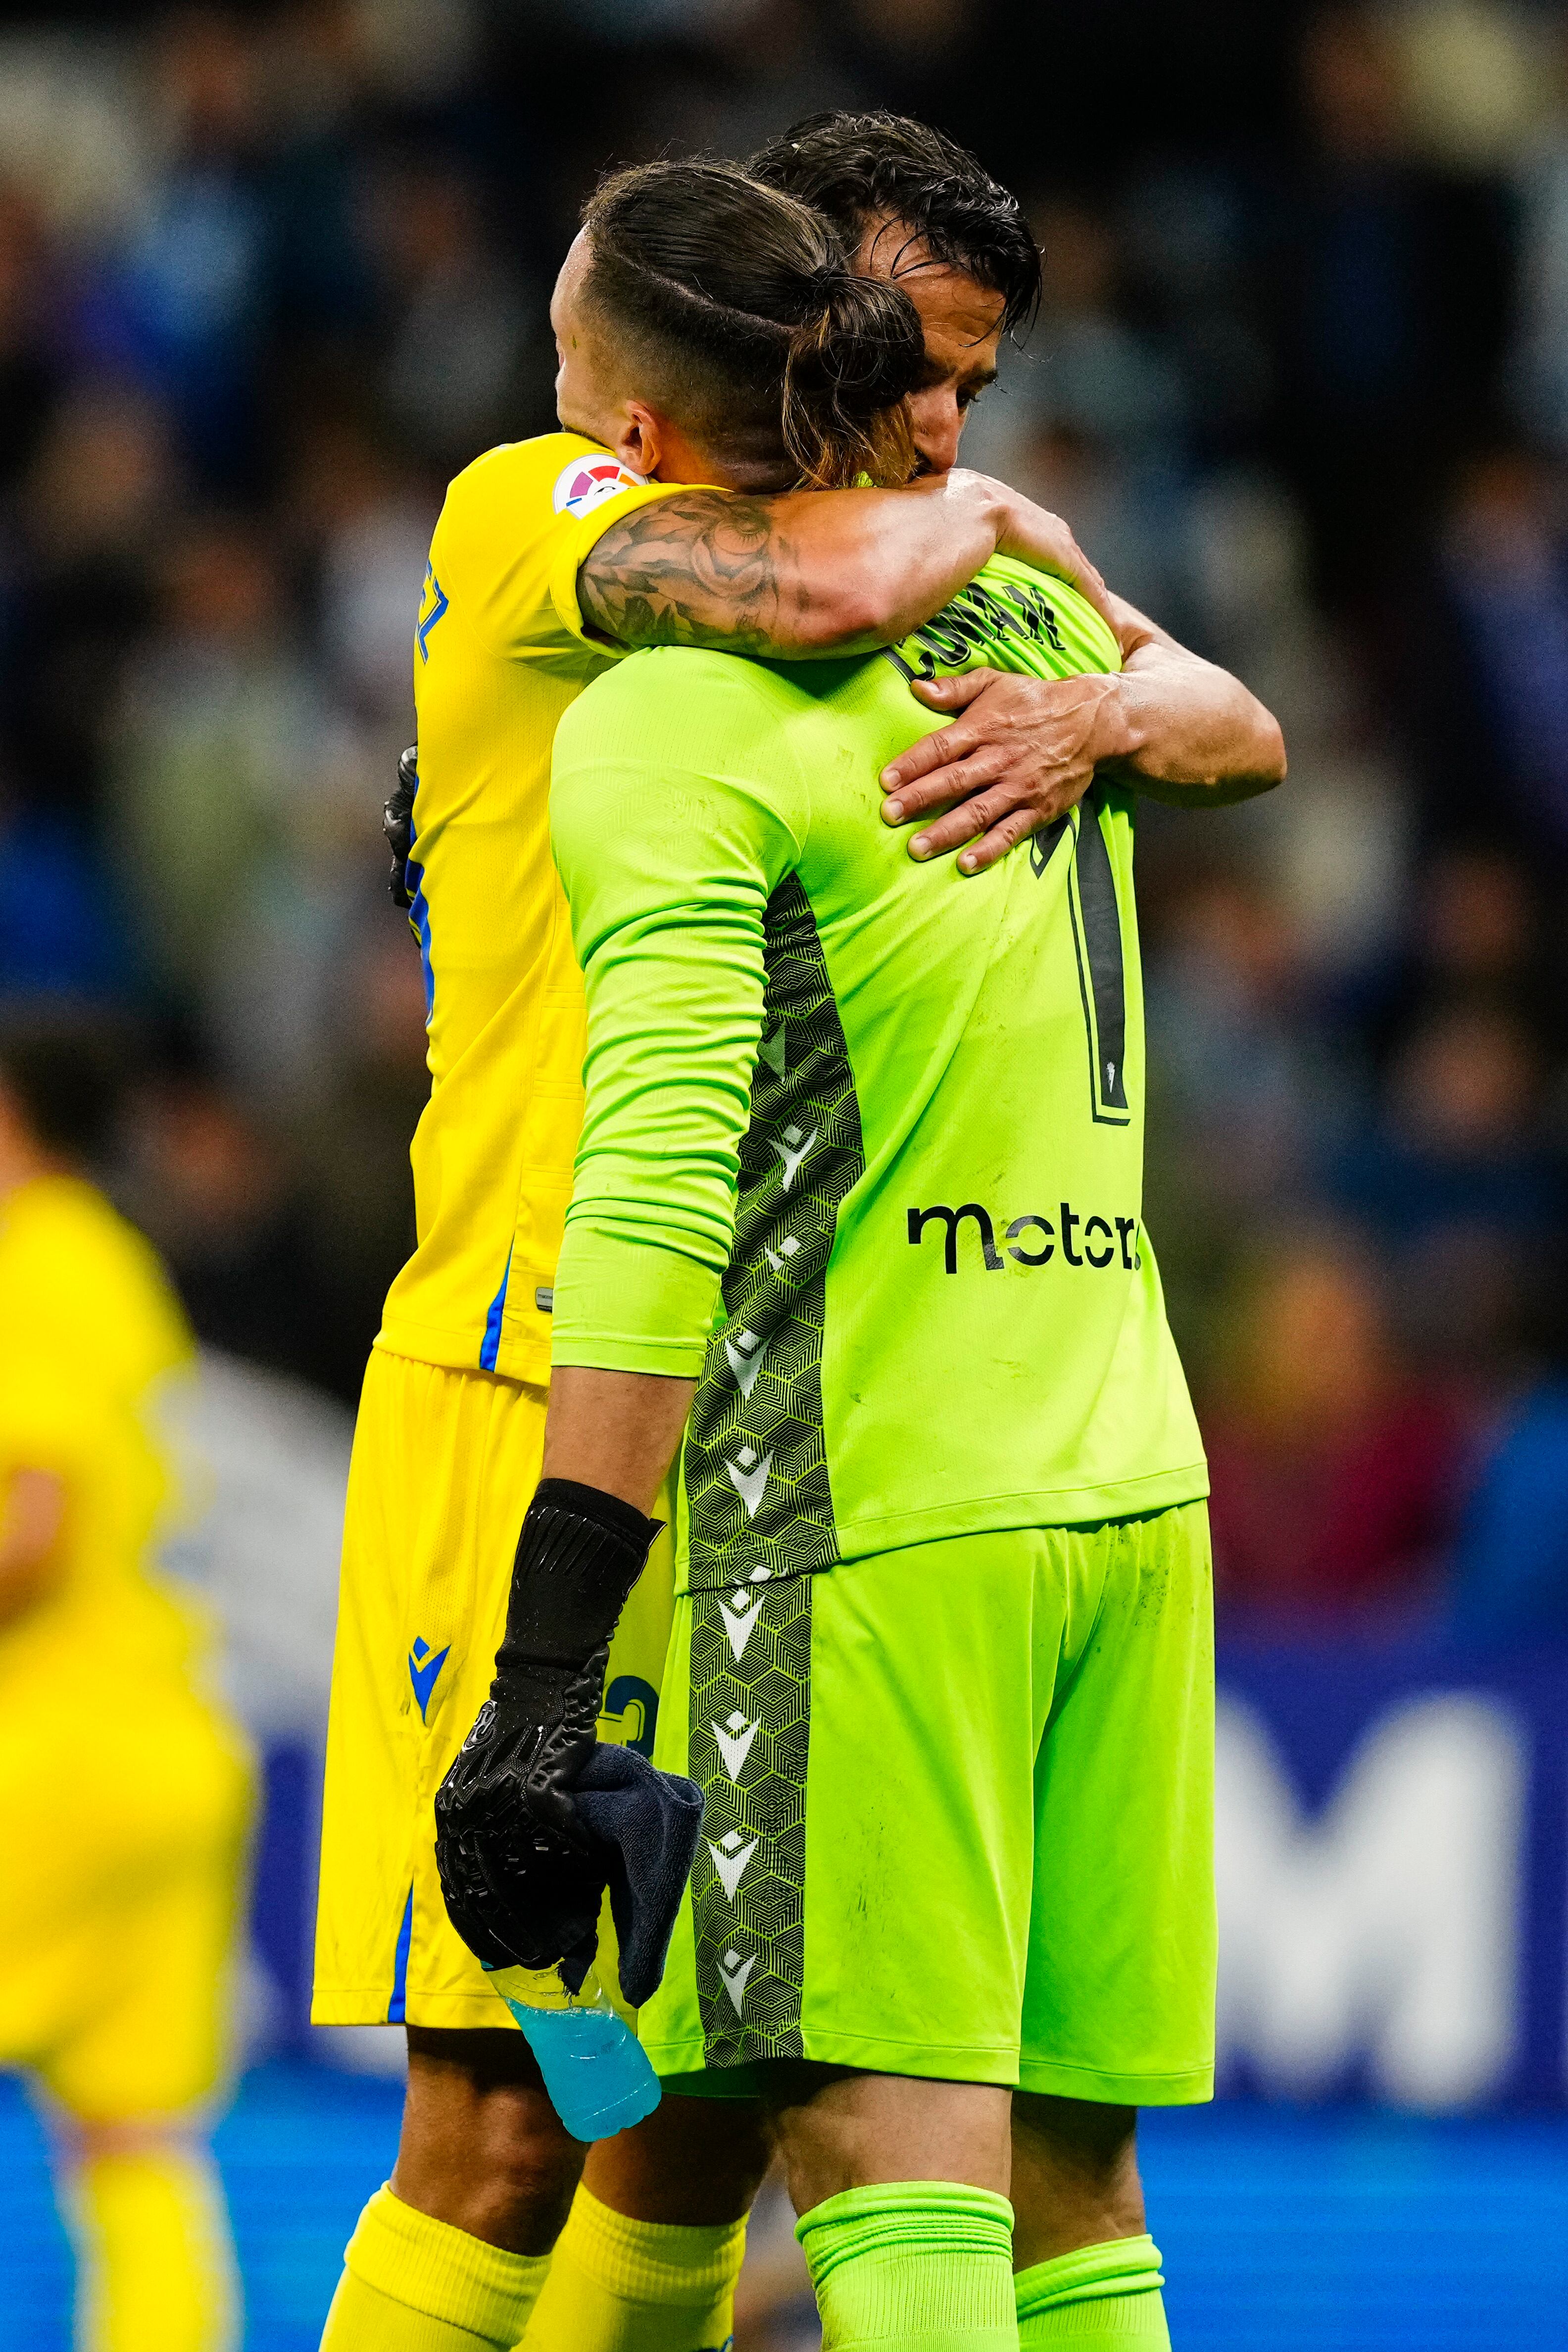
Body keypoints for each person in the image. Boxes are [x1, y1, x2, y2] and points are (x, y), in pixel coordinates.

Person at [315, 140, 1281, 2352]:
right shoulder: (539, 510)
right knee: (518, 2103)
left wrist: (1097, 677)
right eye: (916, 376)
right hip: (528, 1398)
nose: (949, 426)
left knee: (710, 2097)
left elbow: (1238, 723)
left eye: (976, 392)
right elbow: (821, 587)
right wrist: (1018, 534)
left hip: (746, 1416)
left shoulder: (948, 585)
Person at [510, 533, 1245, 2352]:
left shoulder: (679, 707)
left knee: (876, 2143)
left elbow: (660, 1197)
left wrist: (547, 1658)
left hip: (863, 1493)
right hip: (1122, 1465)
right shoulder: (1043, 609)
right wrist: (1092, 673)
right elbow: (1247, 725)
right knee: (1070, 2186)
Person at [0, 1006, 253, 2352]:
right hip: (171, 1740)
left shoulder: (33, 1257)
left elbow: (30, 1529)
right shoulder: (116, 1262)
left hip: (55, 1749)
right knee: (132, 2135)